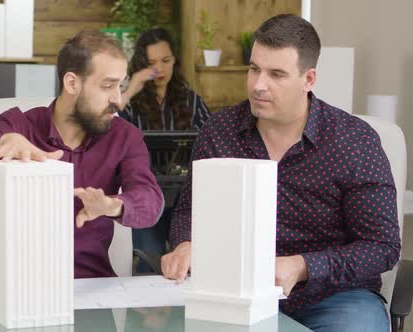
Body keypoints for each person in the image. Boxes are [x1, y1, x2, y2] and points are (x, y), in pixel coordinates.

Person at [162, 14, 400, 332]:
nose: (259, 85)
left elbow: (381, 247)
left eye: (276, 74)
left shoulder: (354, 141)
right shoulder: (219, 132)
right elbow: (189, 211)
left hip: (331, 297)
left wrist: (303, 266)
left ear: (309, 79)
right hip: (233, 292)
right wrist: (186, 243)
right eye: (254, 69)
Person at [0, 30, 164, 279]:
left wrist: (112, 205)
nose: (118, 99)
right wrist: (3, 143)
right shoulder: (17, 123)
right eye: (108, 86)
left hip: (91, 288)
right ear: (72, 83)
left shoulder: (125, 136)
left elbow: (151, 202)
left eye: (120, 85)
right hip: (19, 285)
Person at [117, 28, 211, 273]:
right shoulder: (131, 105)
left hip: (184, 197)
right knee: (149, 264)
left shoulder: (192, 101)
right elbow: (108, 124)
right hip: (145, 196)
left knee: (187, 268)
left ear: (175, 61)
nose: (159, 69)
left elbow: (210, 144)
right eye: (151, 63)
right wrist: (133, 85)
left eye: (165, 60)